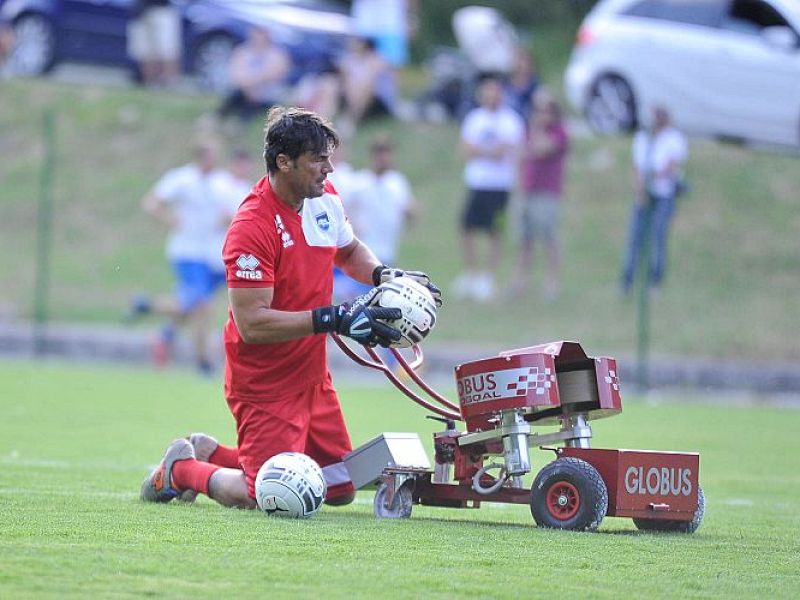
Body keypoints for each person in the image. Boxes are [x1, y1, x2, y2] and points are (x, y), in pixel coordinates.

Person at [139, 106, 442, 510]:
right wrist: (333, 318)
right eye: (319, 158)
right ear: (284, 162)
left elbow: (349, 250)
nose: (329, 168)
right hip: (265, 380)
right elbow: (253, 324)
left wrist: (384, 277)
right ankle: (179, 471)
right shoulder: (251, 227)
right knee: (262, 493)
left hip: (311, 371)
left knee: (337, 488)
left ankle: (212, 455)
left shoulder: (325, 198)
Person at [128, 138, 234, 375]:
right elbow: (151, 203)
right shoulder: (182, 179)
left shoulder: (221, 183)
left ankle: (153, 314)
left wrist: (227, 220)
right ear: (201, 156)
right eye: (211, 155)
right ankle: (203, 362)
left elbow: (229, 213)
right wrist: (169, 219)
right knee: (200, 304)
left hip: (212, 256)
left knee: (198, 306)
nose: (214, 159)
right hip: (187, 252)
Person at [452, 74, 525, 302]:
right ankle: (471, 273)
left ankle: (489, 276)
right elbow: (466, 149)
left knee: (495, 231)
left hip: (499, 185)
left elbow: (510, 149)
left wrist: (484, 150)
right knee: (467, 226)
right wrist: (491, 151)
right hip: (477, 183)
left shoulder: (511, 120)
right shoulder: (475, 119)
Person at [335, 134, 417, 300]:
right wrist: (352, 225)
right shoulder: (360, 182)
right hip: (363, 251)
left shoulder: (397, 182)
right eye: (380, 154)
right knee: (359, 301)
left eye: (387, 153)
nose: (384, 158)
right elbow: (342, 205)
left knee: (381, 300)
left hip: (387, 253)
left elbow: (408, 208)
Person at [620, 105, 688, 293]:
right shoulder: (643, 139)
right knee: (635, 238)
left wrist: (650, 177)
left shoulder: (674, 139)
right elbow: (637, 166)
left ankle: (655, 280)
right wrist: (640, 189)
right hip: (643, 194)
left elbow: (670, 167)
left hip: (663, 195)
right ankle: (627, 280)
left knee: (658, 237)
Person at [510, 90, 569, 300]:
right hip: (527, 190)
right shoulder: (529, 130)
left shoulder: (559, 132)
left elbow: (541, 149)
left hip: (546, 192)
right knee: (524, 240)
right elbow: (520, 154)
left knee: (549, 238)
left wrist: (535, 135)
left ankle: (552, 282)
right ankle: (520, 282)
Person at [217, 27, 291, 122]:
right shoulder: (242, 52)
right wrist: (248, 87)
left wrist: (253, 85)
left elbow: (274, 74)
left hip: (266, 94)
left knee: (255, 103)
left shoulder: (278, 54)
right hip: (244, 89)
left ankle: (240, 123)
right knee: (234, 97)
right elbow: (237, 74)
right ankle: (218, 118)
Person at [338, 37, 396, 131]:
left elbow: (372, 80)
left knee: (366, 87)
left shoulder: (377, 59)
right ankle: (350, 120)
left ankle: (351, 119)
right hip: (354, 95)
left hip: (378, 100)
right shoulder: (349, 59)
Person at [127, 0, 181, 87]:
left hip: (161, 10)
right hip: (140, 13)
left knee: (166, 50)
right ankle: (151, 83)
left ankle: (170, 83)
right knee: (146, 52)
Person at [504, 46, 539, 120]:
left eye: (525, 61)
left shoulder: (536, 87)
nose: (523, 65)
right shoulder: (504, 88)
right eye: (519, 62)